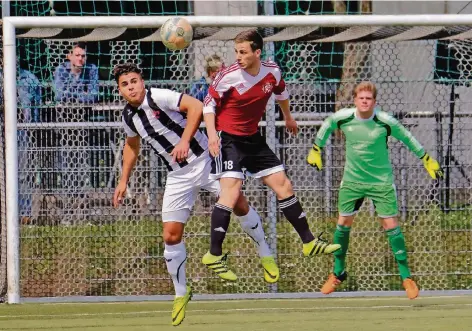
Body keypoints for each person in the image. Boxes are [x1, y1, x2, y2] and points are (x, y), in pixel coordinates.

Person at [112, 63, 278, 326]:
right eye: (125, 84)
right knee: (170, 234)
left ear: (142, 82)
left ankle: (266, 252)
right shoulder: (128, 117)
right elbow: (132, 146)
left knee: (239, 204)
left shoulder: (159, 96)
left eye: (134, 81)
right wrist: (123, 180)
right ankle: (181, 292)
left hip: (205, 159)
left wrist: (184, 140)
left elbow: (197, 107)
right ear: (119, 90)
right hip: (177, 175)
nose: (131, 87)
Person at [201, 30, 341, 280]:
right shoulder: (228, 75)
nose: (238, 57)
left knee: (284, 184)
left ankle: (309, 242)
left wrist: (288, 117)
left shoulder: (272, 71)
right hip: (228, 138)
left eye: (243, 52)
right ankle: (214, 254)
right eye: (236, 52)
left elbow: (281, 93)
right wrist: (212, 135)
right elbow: (208, 105)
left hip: (253, 138)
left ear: (257, 52)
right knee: (231, 194)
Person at [307, 81, 444, 300]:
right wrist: (316, 149)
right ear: (355, 100)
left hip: (381, 182)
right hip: (352, 182)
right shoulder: (344, 117)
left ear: (374, 102)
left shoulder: (385, 121)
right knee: (342, 224)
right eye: (361, 98)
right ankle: (338, 272)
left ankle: (406, 277)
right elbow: (327, 125)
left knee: (391, 226)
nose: (364, 101)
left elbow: (407, 137)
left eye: (368, 99)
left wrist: (426, 159)